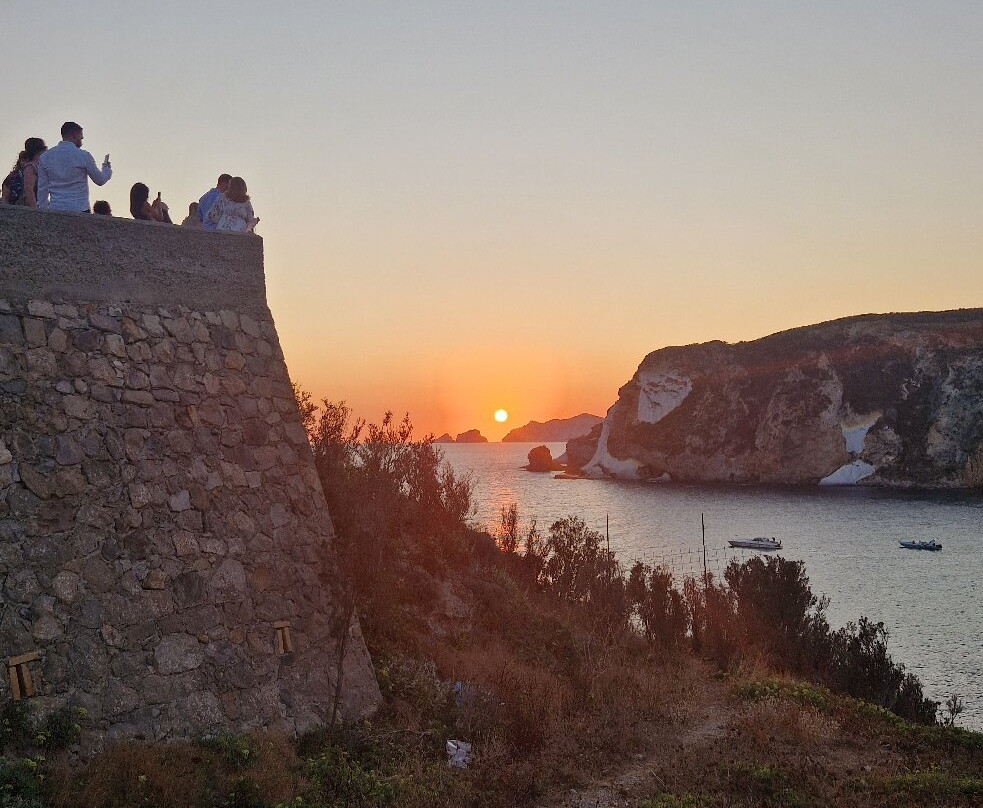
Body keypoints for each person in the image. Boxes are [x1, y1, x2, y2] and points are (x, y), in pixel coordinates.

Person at [37, 122, 111, 212]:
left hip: (56, 209)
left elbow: (42, 190)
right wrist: (107, 169)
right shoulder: (84, 155)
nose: (82, 141)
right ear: (75, 134)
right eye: (81, 137)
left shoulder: (45, 157)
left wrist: (43, 212)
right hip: (80, 208)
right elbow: (100, 180)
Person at [2, 138, 47, 206]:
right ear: (40, 150)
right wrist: (36, 211)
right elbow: (29, 191)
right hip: (25, 209)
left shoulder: (36, 167)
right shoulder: (31, 168)